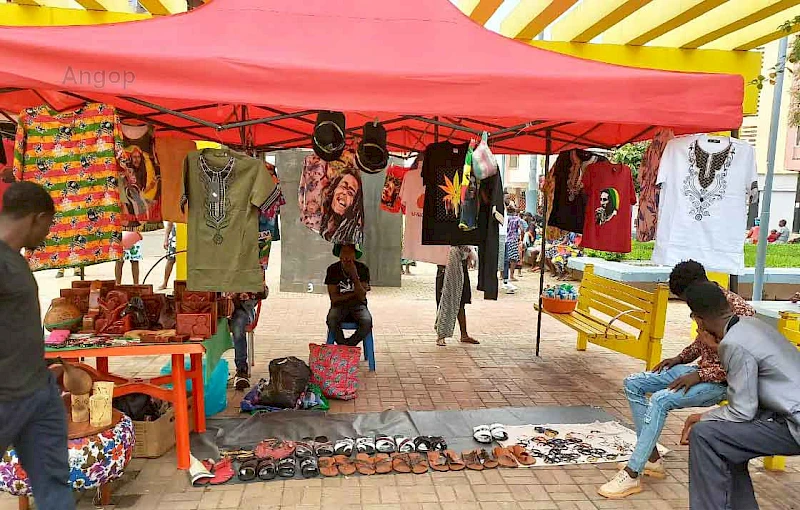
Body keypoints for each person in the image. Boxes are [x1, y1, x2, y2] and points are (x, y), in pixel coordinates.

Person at [598, 260, 755, 499]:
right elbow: (703, 342)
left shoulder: (737, 311)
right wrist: (679, 358)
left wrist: (700, 374)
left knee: (661, 400)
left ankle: (632, 473)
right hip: (699, 371)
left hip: (723, 383)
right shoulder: (705, 301)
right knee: (634, 382)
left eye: (685, 298)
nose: (686, 304)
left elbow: (743, 363)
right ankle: (650, 457)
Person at [680, 282, 800, 510]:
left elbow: (741, 410)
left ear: (699, 320)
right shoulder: (750, 325)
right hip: (785, 414)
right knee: (726, 438)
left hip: (794, 423)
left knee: (706, 435)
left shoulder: (733, 343)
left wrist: (703, 417)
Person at [0, 182, 75, 510]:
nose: (47, 233)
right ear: (36, 218)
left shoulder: (13, 260)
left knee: (53, 480)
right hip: (5, 397)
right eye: (48, 225)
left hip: (38, 392)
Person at [325, 244, 373, 346]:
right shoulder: (332, 269)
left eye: (350, 253)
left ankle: (347, 347)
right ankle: (345, 347)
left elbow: (361, 297)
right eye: (344, 252)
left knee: (367, 322)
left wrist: (355, 276)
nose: (347, 256)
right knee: (331, 320)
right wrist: (357, 292)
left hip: (358, 305)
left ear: (355, 255)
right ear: (340, 255)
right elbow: (334, 299)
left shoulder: (362, 268)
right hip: (339, 307)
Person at [436, 246, 478, 346]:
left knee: (461, 302)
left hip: (460, 267)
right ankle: (441, 335)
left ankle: (464, 334)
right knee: (444, 301)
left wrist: (468, 254)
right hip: (446, 267)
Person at [227, 285, 267, 390]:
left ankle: (241, 370)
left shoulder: (250, 271)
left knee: (238, 324)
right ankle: (211, 369)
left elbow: (263, 292)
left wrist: (239, 295)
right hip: (216, 307)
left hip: (242, 310)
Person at [320, 167, 364, 245]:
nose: (345, 192)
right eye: (343, 186)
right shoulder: (317, 218)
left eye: (350, 192)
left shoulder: (354, 233)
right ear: (334, 189)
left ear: (353, 204)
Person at [501, 205, 523, 292]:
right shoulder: (517, 219)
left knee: (503, 258)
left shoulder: (505, 218)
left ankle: (502, 275)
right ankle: (511, 275)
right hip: (513, 239)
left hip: (504, 238)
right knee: (513, 259)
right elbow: (521, 229)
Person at [159, 221, 176, 291]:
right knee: (170, 260)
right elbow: (169, 225)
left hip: (189, 236)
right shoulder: (175, 212)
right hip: (175, 237)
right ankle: (165, 282)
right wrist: (166, 239)